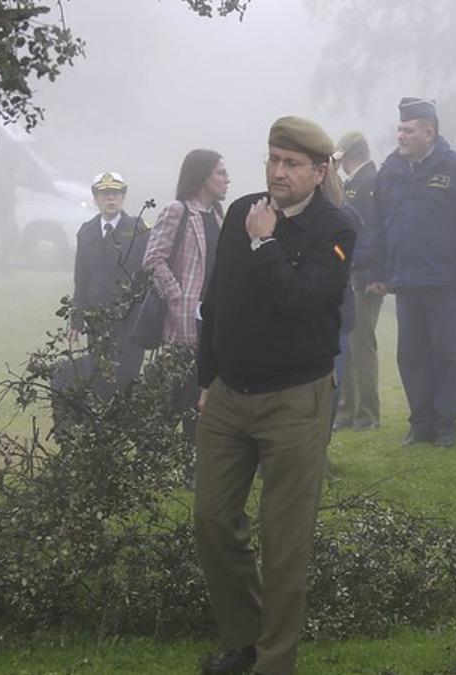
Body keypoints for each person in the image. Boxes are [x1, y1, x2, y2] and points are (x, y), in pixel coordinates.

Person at [194, 116, 355, 675]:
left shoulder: (336, 228)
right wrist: (204, 377)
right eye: (273, 159)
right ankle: (243, 639)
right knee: (212, 520)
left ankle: (274, 662)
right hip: (228, 394)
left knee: (284, 542)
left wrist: (265, 242)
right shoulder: (240, 211)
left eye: (291, 164)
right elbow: (216, 299)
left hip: (295, 398)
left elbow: (302, 301)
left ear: (319, 170)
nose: (278, 172)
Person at [370, 97, 456, 447]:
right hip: (406, 279)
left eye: (408, 130)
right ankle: (420, 421)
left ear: (429, 131)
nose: (401, 135)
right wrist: (378, 271)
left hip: (448, 279)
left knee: (448, 353)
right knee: (411, 355)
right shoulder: (388, 172)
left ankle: (446, 424)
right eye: (399, 129)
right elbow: (377, 226)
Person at [142, 150, 230, 469]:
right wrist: (178, 297)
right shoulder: (177, 211)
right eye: (221, 173)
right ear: (203, 175)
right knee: (180, 395)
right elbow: (152, 259)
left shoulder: (219, 215)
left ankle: (194, 463)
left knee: (205, 395)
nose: (227, 179)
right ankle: (164, 461)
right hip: (182, 322)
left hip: (214, 321)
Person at [68, 171, 149, 402]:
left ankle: (125, 424)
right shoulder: (86, 231)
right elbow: (81, 278)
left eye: (115, 194)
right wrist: (77, 317)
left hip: (131, 318)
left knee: (127, 374)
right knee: (100, 371)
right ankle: (101, 424)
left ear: (123, 197)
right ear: (95, 198)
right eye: (104, 195)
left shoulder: (139, 228)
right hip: (98, 317)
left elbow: (147, 273)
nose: (110, 199)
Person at [332, 131, 383, 432]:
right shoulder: (354, 183)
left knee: (362, 345)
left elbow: (376, 232)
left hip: (366, 276)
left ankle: (367, 415)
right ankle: (346, 412)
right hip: (353, 273)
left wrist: (377, 274)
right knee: (348, 346)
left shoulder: (371, 181)